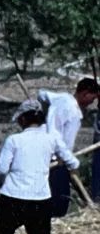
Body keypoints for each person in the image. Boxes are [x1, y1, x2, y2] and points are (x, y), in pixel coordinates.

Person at [0, 98, 79, 234]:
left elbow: (2, 169)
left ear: (22, 120)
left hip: (12, 196)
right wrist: (64, 164)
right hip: (40, 199)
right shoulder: (51, 139)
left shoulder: (14, 140)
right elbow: (74, 162)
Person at [38, 77, 99, 217]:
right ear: (85, 94)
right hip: (55, 160)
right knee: (59, 203)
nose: (92, 103)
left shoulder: (63, 99)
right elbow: (56, 137)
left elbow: (43, 94)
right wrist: (72, 162)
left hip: (58, 158)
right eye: (92, 98)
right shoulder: (70, 109)